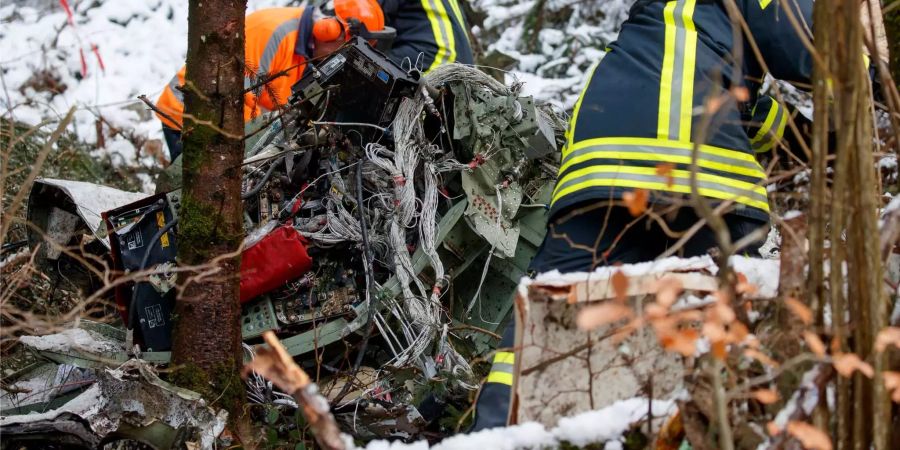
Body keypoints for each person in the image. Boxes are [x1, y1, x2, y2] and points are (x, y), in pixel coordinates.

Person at [470, 0, 818, 431]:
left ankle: (494, 432)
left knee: (554, 307)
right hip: (690, 161)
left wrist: (806, 134)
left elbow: (744, 109)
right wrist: (871, 64)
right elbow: (799, 44)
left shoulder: (676, 25)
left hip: (602, 152)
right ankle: (708, 427)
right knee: (722, 312)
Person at [155, 0, 473, 162]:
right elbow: (236, 106)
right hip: (188, 117)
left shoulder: (308, 52)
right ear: (330, 32)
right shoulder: (273, 35)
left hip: (228, 120)